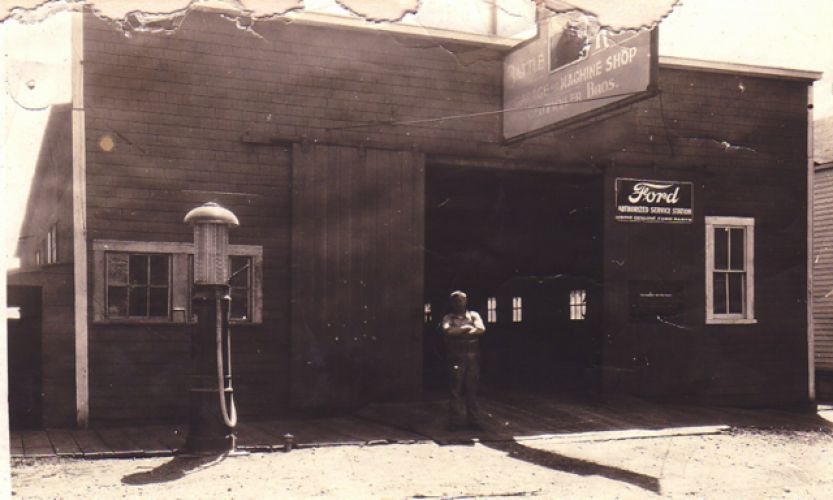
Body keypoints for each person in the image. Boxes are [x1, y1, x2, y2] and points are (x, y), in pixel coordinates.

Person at [440, 291, 486, 430]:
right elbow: (447, 331)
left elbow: (481, 329)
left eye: (461, 300)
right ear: (452, 303)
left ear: (466, 301)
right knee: (455, 389)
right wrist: (466, 328)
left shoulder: (474, 315)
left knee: (472, 389)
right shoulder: (448, 317)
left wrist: (458, 331)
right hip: (456, 356)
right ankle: (455, 422)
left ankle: (474, 421)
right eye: (456, 301)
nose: (459, 303)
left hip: (472, 355)